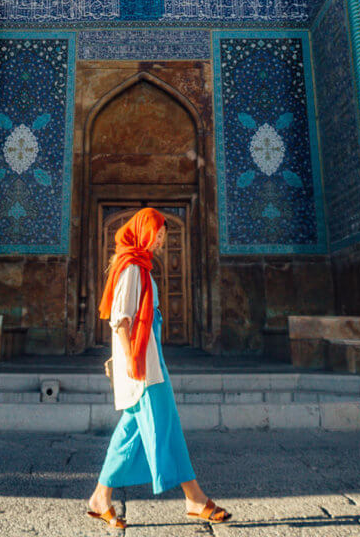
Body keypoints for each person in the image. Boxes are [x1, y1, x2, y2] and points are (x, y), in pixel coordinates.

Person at [87, 207, 232, 530]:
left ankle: (100, 497)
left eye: (164, 237)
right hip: (142, 365)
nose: (160, 243)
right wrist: (129, 362)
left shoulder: (141, 269)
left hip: (149, 360)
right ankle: (194, 498)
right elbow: (120, 321)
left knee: (131, 431)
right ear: (142, 234)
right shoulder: (131, 270)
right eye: (157, 236)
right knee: (165, 426)